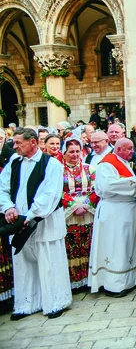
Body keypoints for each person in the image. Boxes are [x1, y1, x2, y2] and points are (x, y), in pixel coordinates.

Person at [0, 127, 70, 320]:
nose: (14, 147)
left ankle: (55, 302)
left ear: (32, 142)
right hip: (17, 220)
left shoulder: (51, 164)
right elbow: (3, 187)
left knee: (49, 261)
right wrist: (8, 208)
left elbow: (49, 194)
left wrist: (28, 216)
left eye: (17, 143)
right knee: (23, 263)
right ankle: (26, 304)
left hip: (44, 221)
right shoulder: (14, 162)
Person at [88, 138, 136, 297]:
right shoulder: (107, 164)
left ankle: (128, 279)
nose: (132, 151)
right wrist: (133, 182)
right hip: (114, 211)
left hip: (125, 211)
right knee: (116, 247)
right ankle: (114, 285)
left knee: (126, 246)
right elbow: (107, 186)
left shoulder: (123, 162)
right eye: (129, 148)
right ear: (118, 149)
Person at [61, 137, 99, 291]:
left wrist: (86, 205)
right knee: (72, 245)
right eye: (71, 152)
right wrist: (73, 206)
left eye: (78, 151)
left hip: (88, 211)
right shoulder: (59, 170)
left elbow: (97, 188)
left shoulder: (90, 168)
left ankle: (89, 278)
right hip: (69, 213)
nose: (75, 154)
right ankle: (75, 280)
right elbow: (58, 191)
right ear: (64, 153)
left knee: (88, 243)